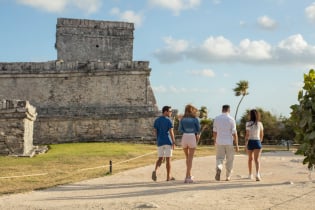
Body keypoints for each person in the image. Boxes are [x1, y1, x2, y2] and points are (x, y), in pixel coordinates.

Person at [213, 104, 239, 181]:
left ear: (222, 110)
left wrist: (215, 140)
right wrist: (237, 145)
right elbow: (234, 133)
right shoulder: (231, 119)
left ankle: (219, 167)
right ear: (229, 110)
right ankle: (228, 176)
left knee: (219, 158)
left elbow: (214, 132)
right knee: (230, 160)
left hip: (219, 142)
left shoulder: (217, 118)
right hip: (229, 142)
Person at [152, 106, 176, 182]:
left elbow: (155, 132)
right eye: (170, 111)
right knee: (168, 159)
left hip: (160, 141)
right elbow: (171, 132)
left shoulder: (157, 120)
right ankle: (168, 177)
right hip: (168, 141)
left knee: (160, 158)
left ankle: (155, 170)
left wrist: (158, 139)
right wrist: (174, 142)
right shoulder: (169, 120)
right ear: (165, 111)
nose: (171, 113)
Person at [178, 104, 201, 183]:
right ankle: (187, 177)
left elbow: (180, 130)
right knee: (190, 158)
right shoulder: (195, 119)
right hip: (192, 137)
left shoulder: (182, 119)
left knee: (187, 158)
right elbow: (198, 129)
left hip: (184, 137)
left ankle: (189, 175)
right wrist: (197, 135)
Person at [245, 109, 264, 181]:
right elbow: (262, 134)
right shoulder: (260, 124)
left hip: (250, 141)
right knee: (257, 160)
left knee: (250, 159)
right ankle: (257, 174)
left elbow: (247, 134)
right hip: (257, 141)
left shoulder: (248, 124)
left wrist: (245, 143)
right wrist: (260, 141)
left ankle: (250, 174)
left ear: (251, 115)